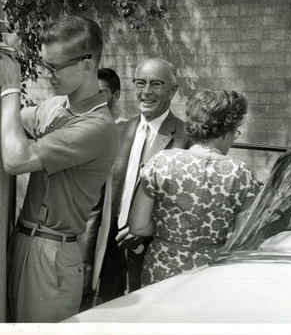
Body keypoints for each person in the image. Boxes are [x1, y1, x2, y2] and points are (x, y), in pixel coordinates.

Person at [0, 16, 118, 322]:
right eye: (45, 65)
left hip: (53, 253)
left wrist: (11, 89)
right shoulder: (56, 106)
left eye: (55, 67)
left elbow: (15, 160)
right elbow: (3, 123)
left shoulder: (97, 127)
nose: (47, 75)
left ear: (87, 65)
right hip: (23, 241)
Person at [129, 89, 260, 286]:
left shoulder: (161, 162)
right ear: (226, 131)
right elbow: (243, 237)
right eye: (235, 132)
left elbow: (138, 225)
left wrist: (171, 230)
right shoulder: (240, 173)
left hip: (163, 266)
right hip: (210, 271)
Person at [92, 57, 192, 303]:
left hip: (154, 252)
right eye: (140, 83)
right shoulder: (118, 131)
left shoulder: (187, 138)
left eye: (156, 84)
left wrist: (147, 229)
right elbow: (99, 198)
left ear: (173, 90)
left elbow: (188, 207)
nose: (146, 92)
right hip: (110, 251)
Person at [78, 67, 127, 312]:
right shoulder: (81, 126)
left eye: (101, 92)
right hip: (82, 218)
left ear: (115, 96)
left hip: (110, 225)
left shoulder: (126, 130)